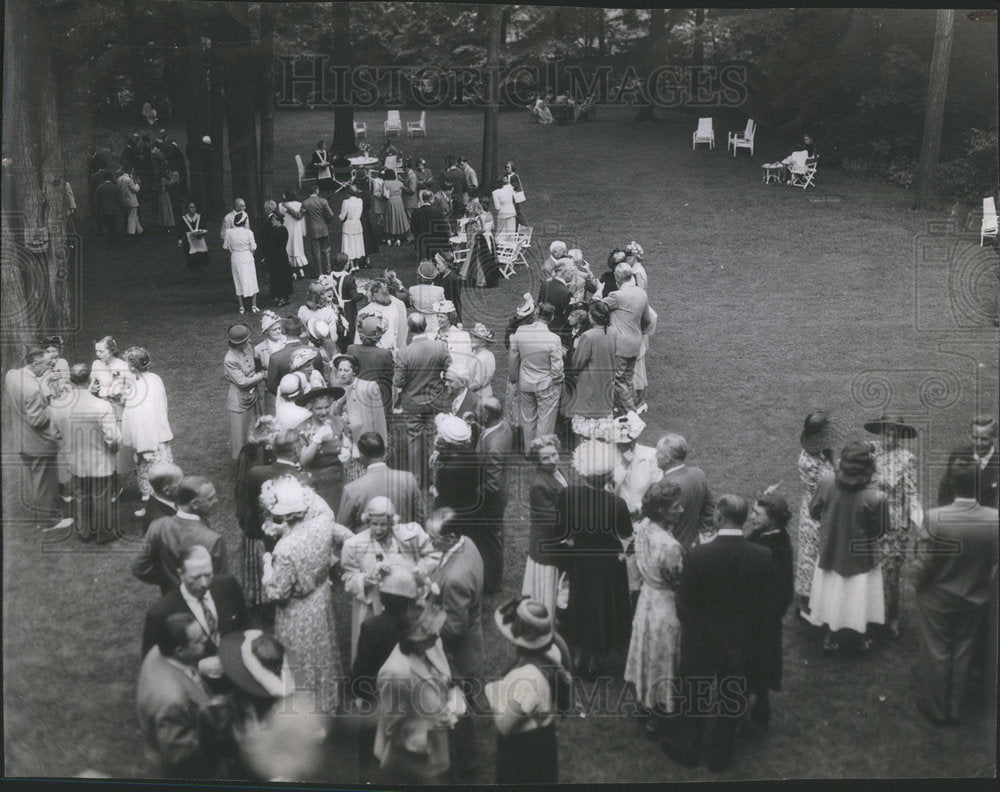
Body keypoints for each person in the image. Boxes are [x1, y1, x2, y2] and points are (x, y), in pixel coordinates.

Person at [668, 495, 775, 771]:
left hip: (701, 639)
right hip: (739, 641)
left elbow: (683, 603)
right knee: (731, 698)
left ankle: (687, 751)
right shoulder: (762, 556)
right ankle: (720, 758)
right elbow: (766, 606)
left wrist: (695, 633)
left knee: (692, 695)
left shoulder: (699, 554)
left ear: (718, 517)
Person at [914, 458, 999, 725]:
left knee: (937, 650)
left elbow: (925, 563)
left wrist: (919, 586)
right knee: (963, 651)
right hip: (974, 594)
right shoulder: (994, 519)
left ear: (952, 483)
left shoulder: (936, 518)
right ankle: (955, 708)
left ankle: (936, 710)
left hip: (937, 596)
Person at [259, 475, 352, 712]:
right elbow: (316, 505)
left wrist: (267, 565)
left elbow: (277, 593)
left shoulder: (285, 549)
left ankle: (305, 709)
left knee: (300, 658)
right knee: (322, 651)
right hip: (319, 598)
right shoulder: (322, 521)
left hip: (296, 611)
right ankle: (328, 700)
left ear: (283, 514)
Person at [557, 439, 633, 676]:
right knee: (602, 607)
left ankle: (577, 654)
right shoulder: (617, 504)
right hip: (607, 563)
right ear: (608, 472)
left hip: (579, 559)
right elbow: (626, 535)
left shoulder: (568, 495)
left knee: (580, 603)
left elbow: (562, 530)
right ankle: (595, 658)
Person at [806, 442, 889, 653]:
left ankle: (830, 636)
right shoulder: (876, 496)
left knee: (832, 591)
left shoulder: (826, 483)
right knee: (858, 595)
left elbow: (814, 511)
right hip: (861, 557)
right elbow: (880, 530)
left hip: (831, 550)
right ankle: (860, 637)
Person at [374, 587, 459, 784]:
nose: (437, 634)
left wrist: (453, 696)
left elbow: (444, 675)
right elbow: (392, 727)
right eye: (432, 631)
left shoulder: (431, 644)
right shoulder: (395, 672)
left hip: (438, 748)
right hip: (411, 761)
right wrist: (430, 725)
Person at [340, 496, 436, 662]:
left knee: (411, 638)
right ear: (367, 521)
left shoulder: (411, 534)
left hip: (409, 600)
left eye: (383, 524)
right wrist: (364, 580)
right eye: (373, 524)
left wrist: (420, 570)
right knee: (373, 644)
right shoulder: (353, 545)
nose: (378, 529)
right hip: (373, 604)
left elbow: (431, 556)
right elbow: (348, 576)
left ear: (392, 522)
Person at [486, 598, 570, 784]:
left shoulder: (525, 679)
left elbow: (504, 726)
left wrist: (493, 693)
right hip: (544, 739)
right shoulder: (552, 653)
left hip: (524, 749)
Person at [624, 479, 685, 731]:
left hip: (646, 598)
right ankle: (660, 713)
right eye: (676, 507)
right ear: (662, 510)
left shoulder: (645, 527)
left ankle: (643, 701)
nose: (681, 510)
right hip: (665, 605)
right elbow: (677, 578)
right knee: (663, 657)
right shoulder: (670, 546)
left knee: (645, 650)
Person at [136, 613, 212, 778]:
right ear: (180, 651)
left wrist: (199, 669)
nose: (206, 639)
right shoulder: (172, 701)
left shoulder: (159, 651)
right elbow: (180, 754)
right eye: (198, 640)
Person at [4, 347, 72, 532]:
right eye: (45, 365)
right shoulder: (33, 389)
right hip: (38, 443)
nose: (47, 368)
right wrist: (52, 405)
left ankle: (39, 515)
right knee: (45, 483)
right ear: (35, 364)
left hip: (21, 440)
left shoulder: (12, 375)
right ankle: (49, 522)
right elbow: (36, 419)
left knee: (34, 481)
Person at [865, 415, 921, 639]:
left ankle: (892, 616)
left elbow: (911, 493)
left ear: (899, 437)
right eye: (885, 433)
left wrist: (920, 522)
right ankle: (869, 615)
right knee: (868, 571)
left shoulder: (907, 459)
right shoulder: (870, 452)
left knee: (890, 573)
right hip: (869, 521)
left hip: (894, 525)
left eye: (893, 435)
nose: (888, 438)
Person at [140, 544, 250, 658]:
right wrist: (199, 668)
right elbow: (152, 661)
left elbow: (246, 624)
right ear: (181, 574)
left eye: (208, 575)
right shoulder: (161, 613)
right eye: (195, 577)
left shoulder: (228, 585)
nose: (204, 583)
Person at [54, 364, 121, 543]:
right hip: (99, 459)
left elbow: (54, 433)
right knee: (101, 496)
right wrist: (113, 450)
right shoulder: (101, 405)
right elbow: (113, 437)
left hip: (74, 459)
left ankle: (84, 532)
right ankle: (104, 533)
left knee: (81, 494)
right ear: (90, 379)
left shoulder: (59, 405)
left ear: (70, 381)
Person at [745, 491, 794, 727]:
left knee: (759, 663)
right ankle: (752, 704)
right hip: (754, 615)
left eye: (757, 513)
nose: (752, 516)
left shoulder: (778, 549)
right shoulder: (759, 534)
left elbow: (783, 590)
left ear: (773, 519)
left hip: (762, 619)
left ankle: (758, 707)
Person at [132, 476, 229, 594]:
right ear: (194, 504)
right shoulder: (213, 540)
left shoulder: (157, 526)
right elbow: (222, 584)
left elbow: (139, 568)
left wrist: (169, 581)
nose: (216, 501)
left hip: (170, 599)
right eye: (211, 498)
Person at [393, 314, 451, 488]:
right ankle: (435, 481)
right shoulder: (440, 347)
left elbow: (398, 382)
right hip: (435, 401)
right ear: (425, 326)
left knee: (414, 444)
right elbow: (450, 370)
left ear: (409, 329)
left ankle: (417, 483)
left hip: (412, 404)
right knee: (434, 440)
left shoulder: (405, 352)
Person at [794, 411, 840, 617]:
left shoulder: (821, 453)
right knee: (811, 555)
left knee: (821, 554)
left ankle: (821, 596)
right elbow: (824, 491)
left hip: (822, 507)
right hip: (816, 511)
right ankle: (805, 602)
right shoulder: (808, 463)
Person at [120, 347, 174, 516]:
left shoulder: (140, 389)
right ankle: (163, 507)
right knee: (162, 473)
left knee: (150, 476)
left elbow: (142, 420)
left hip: (148, 441)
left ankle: (155, 510)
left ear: (133, 367)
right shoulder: (154, 379)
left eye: (128, 363)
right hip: (159, 435)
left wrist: (143, 449)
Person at [521, 435, 568, 618]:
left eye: (554, 455)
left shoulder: (559, 470)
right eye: (545, 458)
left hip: (557, 539)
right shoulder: (539, 486)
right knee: (547, 588)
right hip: (548, 545)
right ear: (538, 462)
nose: (552, 461)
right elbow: (550, 523)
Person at [508, 302, 565, 451]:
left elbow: (513, 357)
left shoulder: (521, 331)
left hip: (525, 381)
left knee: (528, 418)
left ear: (536, 315)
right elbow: (557, 368)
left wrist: (514, 377)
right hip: (547, 384)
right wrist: (558, 382)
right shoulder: (554, 339)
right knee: (545, 419)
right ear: (551, 317)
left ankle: (529, 450)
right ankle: (541, 451)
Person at [338, 432, 422, 530]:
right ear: (385, 453)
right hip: (403, 541)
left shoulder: (352, 490)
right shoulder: (408, 479)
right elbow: (420, 519)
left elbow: (342, 530)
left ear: (361, 456)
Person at [474, 398, 513, 594]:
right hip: (501, 493)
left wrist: (473, 491)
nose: (475, 412)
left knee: (491, 542)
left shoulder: (494, 448)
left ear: (486, 416)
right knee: (493, 539)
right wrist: (473, 423)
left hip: (492, 501)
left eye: (478, 411)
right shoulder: (503, 426)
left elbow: (493, 485)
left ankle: (492, 583)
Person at [564, 300, 618, 442]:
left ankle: (582, 460)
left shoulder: (588, 336)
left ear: (592, 317)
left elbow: (577, 363)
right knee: (602, 427)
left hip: (589, 386)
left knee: (584, 430)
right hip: (607, 383)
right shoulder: (613, 332)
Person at [602, 262, 651, 414]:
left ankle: (630, 414)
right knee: (627, 379)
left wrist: (598, 294)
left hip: (620, 344)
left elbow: (597, 307)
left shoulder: (617, 296)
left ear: (617, 278)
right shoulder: (642, 294)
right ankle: (625, 411)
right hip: (635, 342)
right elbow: (647, 320)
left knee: (618, 380)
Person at [654, 433, 716, 550]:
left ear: (667, 459)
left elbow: (658, 525)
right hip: (694, 545)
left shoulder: (664, 486)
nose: (655, 456)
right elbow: (710, 506)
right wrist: (705, 530)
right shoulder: (698, 473)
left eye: (658, 453)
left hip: (671, 550)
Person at [293, 386, 349, 512]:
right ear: (310, 408)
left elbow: (348, 442)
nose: (323, 412)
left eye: (327, 407)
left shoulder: (338, 422)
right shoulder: (302, 428)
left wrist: (347, 448)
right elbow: (303, 461)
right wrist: (316, 439)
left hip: (337, 479)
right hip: (315, 480)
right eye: (318, 408)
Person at [223, 324, 267, 460]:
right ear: (238, 343)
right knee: (241, 436)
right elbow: (242, 382)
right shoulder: (229, 359)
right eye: (246, 340)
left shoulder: (248, 348)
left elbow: (256, 362)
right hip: (240, 402)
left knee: (256, 429)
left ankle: (258, 461)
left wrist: (261, 368)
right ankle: (243, 467)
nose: (249, 342)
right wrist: (263, 375)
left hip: (253, 396)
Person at [938, 415, 999, 509]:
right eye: (974, 438)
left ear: (994, 437)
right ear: (969, 435)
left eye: (984, 439)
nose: (978, 443)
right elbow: (945, 490)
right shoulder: (958, 455)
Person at [333, 353, 388, 453]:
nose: (342, 373)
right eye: (340, 370)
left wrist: (382, 444)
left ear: (354, 371)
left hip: (363, 440)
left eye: (346, 370)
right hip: (343, 441)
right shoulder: (336, 389)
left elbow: (379, 419)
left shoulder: (368, 387)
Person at [348, 315, 394, 418]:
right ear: (379, 337)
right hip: (377, 396)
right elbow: (390, 377)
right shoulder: (384, 354)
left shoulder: (351, 349)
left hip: (357, 394)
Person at [457, 197, 498, 288]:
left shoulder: (481, 216)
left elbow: (482, 229)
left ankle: (481, 280)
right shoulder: (490, 214)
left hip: (482, 238)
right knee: (488, 257)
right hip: (490, 237)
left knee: (479, 259)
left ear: (481, 205)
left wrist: (476, 234)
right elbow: (492, 227)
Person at [259, 210, 293, 307]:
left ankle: (283, 297)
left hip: (279, 257)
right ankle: (281, 296)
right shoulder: (275, 230)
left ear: (279, 221)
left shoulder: (282, 231)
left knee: (281, 277)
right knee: (277, 276)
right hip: (276, 257)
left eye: (274, 220)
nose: (272, 222)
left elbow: (274, 244)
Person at [302, 184, 335, 277]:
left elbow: (301, 214)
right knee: (326, 250)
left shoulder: (305, 203)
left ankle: (319, 273)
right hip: (323, 227)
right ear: (317, 190)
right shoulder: (323, 201)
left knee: (316, 252)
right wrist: (326, 221)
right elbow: (331, 214)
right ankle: (328, 270)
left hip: (313, 229)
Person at [409, 259, 446, 336]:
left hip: (418, 321)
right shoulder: (439, 290)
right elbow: (443, 307)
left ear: (419, 275)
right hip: (434, 322)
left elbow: (411, 304)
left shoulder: (412, 289)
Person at [410, 191, 450, 262]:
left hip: (421, 242)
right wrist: (446, 239)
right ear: (431, 199)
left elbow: (413, 229)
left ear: (423, 199)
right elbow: (442, 228)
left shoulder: (415, 212)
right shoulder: (437, 212)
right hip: (435, 243)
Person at [144, 462, 183, 534]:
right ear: (167, 491)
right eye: (180, 484)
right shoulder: (162, 522)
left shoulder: (160, 501)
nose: (184, 486)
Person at [280, 189, 308, 279]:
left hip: (287, 229)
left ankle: (292, 272)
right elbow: (302, 219)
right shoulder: (300, 205)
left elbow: (282, 216)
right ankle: (300, 270)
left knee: (288, 248)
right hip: (297, 230)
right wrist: (304, 231)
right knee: (298, 248)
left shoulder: (282, 205)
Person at [177, 201, 210, 276]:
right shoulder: (183, 219)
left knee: (201, 257)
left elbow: (204, 228)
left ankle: (199, 273)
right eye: (191, 207)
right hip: (188, 240)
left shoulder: (199, 217)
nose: (193, 209)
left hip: (199, 239)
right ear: (187, 209)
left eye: (194, 207)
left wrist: (202, 233)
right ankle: (193, 274)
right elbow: (180, 231)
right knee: (191, 258)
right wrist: (180, 240)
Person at [381, 168, 410, 246]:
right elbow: (406, 189)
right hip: (398, 202)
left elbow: (383, 194)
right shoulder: (399, 183)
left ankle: (389, 238)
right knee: (398, 218)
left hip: (390, 201)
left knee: (390, 218)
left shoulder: (385, 183)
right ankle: (398, 239)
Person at [339, 185, 366, 269]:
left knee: (349, 245)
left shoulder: (346, 202)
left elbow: (342, 217)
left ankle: (352, 265)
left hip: (349, 225)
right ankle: (356, 264)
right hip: (357, 224)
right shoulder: (360, 201)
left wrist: (339, 215)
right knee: (357, 244)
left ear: (348, 192)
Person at [93, 171, 120, 238]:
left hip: (103, 209)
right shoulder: (116, 187)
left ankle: (111, 234)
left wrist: (97, 209)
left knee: (106, 223)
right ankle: (113, 235)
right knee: (113, 223)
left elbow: (97, 200)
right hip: (114, 209)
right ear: (111, 178)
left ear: (104, 178)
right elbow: (119, 199)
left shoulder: (99, 187)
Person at [118, 167, 143, 235]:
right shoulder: (129, 180)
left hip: (124, 199)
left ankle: (139, 229)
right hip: (131, 200)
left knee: (135, 216)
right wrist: (137, 183)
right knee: (132, 217)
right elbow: (135, 189)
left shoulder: (119, 179)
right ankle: (131, 232)